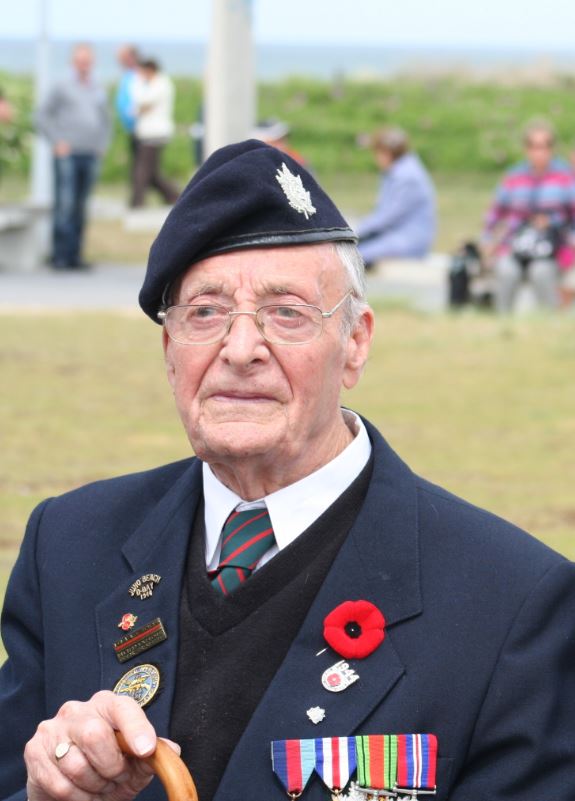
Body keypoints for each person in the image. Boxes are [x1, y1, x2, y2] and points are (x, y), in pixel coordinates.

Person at [1, 140, 575, 801]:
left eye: (286, 313)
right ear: (169, 348)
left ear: (355, 342)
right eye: (206, 312)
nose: (240, 349)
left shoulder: (511, 604)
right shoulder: (70, 547)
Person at [483, 119, 575, 312]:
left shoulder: (565, 178)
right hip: (516, 245)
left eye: (544, 146)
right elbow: (496, 213)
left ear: (552, 148)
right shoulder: (514, 177)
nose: (539, 152)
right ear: (526, 149)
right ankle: (502, 326)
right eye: (533, 146)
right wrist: (487, 240)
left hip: (553, 248)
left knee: (541, 272)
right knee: (506, 270)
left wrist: (552, 222)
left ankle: (547, 326)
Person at [36, 43, 110, 270]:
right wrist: (56, 141)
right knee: (65, 205)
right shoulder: (61, 86)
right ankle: (60, 256)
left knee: (80, 205)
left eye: (87, 61)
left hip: (90, 154)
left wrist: (101, 145)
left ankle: (75, 255)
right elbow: (42, 116)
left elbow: (106, 119)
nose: (84, 65)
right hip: (67, 154)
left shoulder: (98, 87)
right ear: (73, 62)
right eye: (80, 60)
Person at [356, 126, 436, 270]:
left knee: (356, 255)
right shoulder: (398, 171)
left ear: (386, 153)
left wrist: (356, 232)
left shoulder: (406, 176)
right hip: (397, 233)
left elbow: (388, 216)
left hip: (409, 238)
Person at [130, 59, 179, 208]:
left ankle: (137, 201)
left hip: (154, 134)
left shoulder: (161, 84)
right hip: (149, 133)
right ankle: (173, 196)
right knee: (152, 173)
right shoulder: (155, 84)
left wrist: (136, 82)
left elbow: (142, 101)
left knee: (143, 169)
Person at [115, 44, 141, 199]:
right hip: (131, 129)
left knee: (142, 169)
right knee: (141, 168)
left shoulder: (138, 75)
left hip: (140, 128)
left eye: (123, 58)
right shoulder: (128, 75)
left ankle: (136, 201)